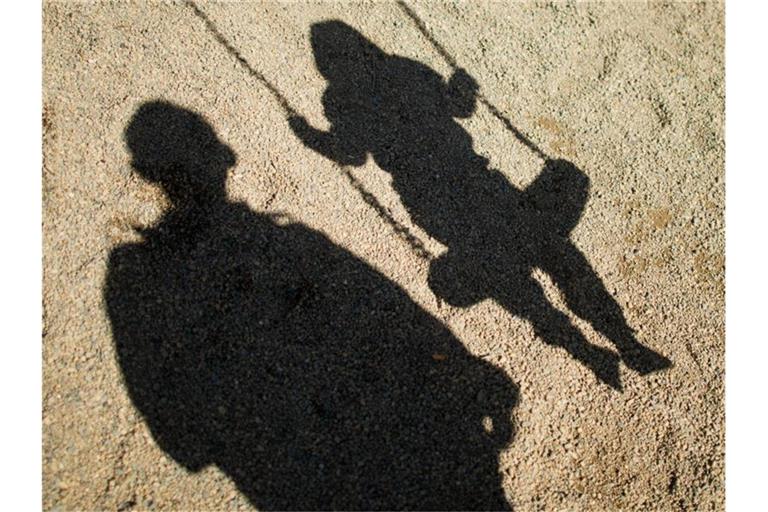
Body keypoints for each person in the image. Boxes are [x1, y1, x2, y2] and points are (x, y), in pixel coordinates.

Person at [105, 100, 518, 509]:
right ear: (224, 157)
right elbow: (397, 307)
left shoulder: (133, 280)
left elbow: (184, 444)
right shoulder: (293, 242)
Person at [289, 21, 671, 390]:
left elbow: (353, 155)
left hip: (435, 203)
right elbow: (461, 108)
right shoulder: (408, 69)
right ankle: (624, 342)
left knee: (513, 279)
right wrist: (462, 89)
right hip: (483, 184)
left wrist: (312, 138)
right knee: (556, 254)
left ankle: (590, 349)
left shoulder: (339, 98)